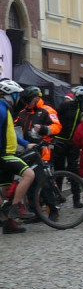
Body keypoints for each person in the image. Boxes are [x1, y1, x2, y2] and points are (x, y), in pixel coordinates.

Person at [0, 79, 35, 233]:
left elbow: (10, 132)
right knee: (29, 174)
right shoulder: (1, 109)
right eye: (16, 95)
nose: (18, 98)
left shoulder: (4, 108)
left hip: (7, 152)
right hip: (4, 154)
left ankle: (8, 224)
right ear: (10, 95)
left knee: (5, 188)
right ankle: (16, 208)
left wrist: (25, 143)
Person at [51, 84, 83, 208]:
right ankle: (57, 198)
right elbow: (54, 119)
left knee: (74, 171)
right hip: (60, 141)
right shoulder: (65, 106)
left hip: (73, 143)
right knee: (59, 171)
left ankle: (76, 200)